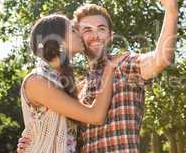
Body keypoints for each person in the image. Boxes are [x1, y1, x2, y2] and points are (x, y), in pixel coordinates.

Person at [18, 0, 178, 152]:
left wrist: (171, 10)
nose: (95, 36)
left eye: (101, 29)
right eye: (86, 30)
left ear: (110, 36)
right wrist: (31, 139)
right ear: (78, 37)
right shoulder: (76, 88)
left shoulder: (125, 64)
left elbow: (161, 59)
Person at [18, 14, 126, 152]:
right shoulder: (37, 81)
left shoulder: (64, 82)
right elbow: (95, 116)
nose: (79, 34)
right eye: (73, 30)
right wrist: (109, 67)